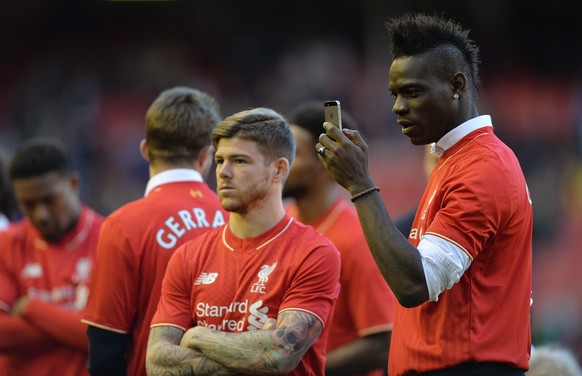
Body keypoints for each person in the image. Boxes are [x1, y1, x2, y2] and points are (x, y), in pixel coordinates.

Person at [316, 13, 533, 375]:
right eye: (395, 94)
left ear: (456, 85)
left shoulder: (483, 167)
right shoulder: (455, 160)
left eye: (412, 92)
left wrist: (359, 184)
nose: (397, 107)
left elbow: (415, 283)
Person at [146, 107, 341, 375]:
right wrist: (254, 353)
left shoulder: (314, 252)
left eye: (239, 161)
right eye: (219, 160)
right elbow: (157, 363)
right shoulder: (188, 255)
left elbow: (280, 354)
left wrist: (196, 337)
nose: (223, 172)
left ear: (278, 170)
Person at [82, 87, 227, 376]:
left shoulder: (123, 225)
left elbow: (105, 347)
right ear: (206, 155)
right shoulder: (237, 218)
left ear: (145, 150)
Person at [283, 101, 395, 376]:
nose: (280, 164)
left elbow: (382, 343)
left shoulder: (358, 238)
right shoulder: (280, 223)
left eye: (293, 154)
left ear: (325, 163)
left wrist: (299, 371)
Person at [0, 138, 104, 376]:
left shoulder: (110, 240)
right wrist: (72, 326)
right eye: (28, 204)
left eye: (50, 200)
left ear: (74, 183)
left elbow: (101, 337)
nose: (41, 215)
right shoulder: (6, 243)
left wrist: (30, 307)